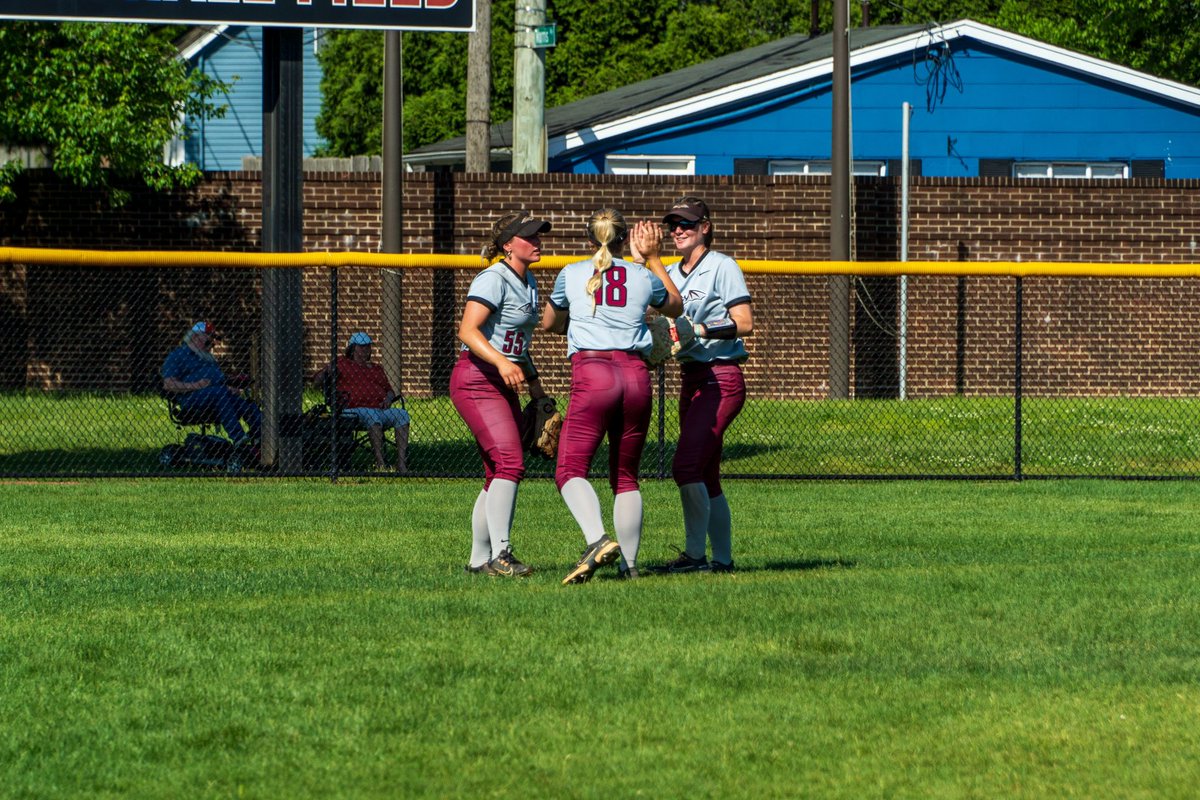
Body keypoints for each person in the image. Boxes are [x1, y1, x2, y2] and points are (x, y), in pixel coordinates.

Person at [542, 209, 683, 584]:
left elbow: (549, 322)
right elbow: (674, 303)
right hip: (635, 376)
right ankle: (631, 566)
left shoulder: (571, 273)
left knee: (569, 469)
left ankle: (597, 540)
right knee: (626, 477)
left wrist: (580, 321)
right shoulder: (641, 275)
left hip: (594, 373)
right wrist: (653, 259)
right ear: (624, 241)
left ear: (590, 240)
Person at [451, 210, 553, 578]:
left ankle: (480, 559)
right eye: (530, 236)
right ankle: (502, 553)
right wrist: (502, 362)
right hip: (477, 378)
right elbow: (467, 330)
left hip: (502, 381)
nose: (538, 241)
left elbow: (517, 346)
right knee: (511, 464)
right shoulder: (493, 277)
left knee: (497, 472)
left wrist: (536, 386)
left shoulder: (529, 281)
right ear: (508, 245)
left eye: (539, 235)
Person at [658, 196, 754, 573]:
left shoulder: (722, 266)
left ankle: (695, 557)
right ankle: (722, 561)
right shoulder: (668, 270)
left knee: (686, 467)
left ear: (705, 228)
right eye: (674, 224)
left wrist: (699, 328)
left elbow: (744, 322)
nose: (678, 230)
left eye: (687, 223)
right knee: (707, 473)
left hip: (721, 376)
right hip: (691, 377)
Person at [311, 331, 410, 473]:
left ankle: (401, 464)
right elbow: (316, 382)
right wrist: (328, 371)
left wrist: (388, 399)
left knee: (402, 415)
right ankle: (381, 464)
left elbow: (389, 391)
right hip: (353, 410)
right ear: (352, 348)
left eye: (367, 347)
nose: (365, 350)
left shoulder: (376, 368)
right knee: (372, 416)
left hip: (379, 408)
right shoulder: (342, 363)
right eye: (361, 347)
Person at [161, 320, 262, 448]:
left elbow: (218, 381)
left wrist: (231, 388)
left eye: (212, 336)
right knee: (219, 393)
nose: (212, 340)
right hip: (191, 399)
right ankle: (239, 438)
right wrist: (196, 385)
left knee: (246, 403)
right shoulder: (178, 355)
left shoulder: (208, 357)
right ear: (195, 336)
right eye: (208, 336)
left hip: (218, 396)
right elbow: (168, 384)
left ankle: (262, 436)